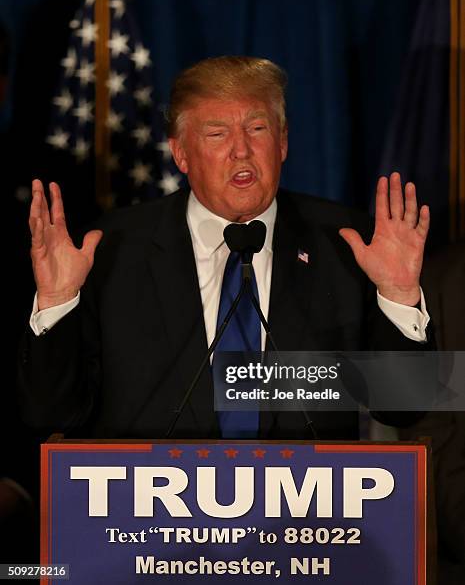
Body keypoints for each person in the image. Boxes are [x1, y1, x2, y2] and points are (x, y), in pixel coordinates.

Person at [18, 56, 432, 440]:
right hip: (150, 515)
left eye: (257, 129)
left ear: (283, 142)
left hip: (304, 515)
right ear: (180, 152)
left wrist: (397, 295)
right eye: (217, 133)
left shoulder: (349, 245)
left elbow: (404, 410)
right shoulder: (108, 253)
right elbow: (52, 414)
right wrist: (57, 302)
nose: (241, 150)